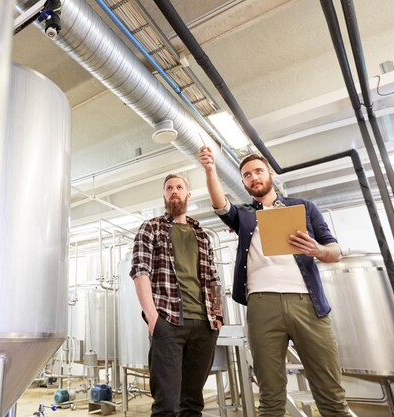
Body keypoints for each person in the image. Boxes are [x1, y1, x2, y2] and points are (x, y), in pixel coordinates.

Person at [198, 147, 351, 417]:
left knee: (331, 395)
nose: (253, 177)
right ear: (244, 183)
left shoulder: (304, 207)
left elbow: (335, 252)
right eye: (247, 175)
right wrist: (210, 169)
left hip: (309, 305)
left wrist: (317, 250)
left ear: (270, 173)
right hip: (262, 304)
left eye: (258, 171)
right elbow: (220, 204)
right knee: (270, 397)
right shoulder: (244, 215)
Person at [130, 173, 223, 417]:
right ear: (164, 194)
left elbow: (213, 277)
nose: (174, 190)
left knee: (192, 404)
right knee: (167, 406)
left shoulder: (201, 234)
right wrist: (152, 318)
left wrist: (217, 316)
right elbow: (140, 271)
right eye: (169, 187)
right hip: (168, 322)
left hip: (204, 325)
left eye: (179, 187)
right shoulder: (151, 227)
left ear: (187, 195)